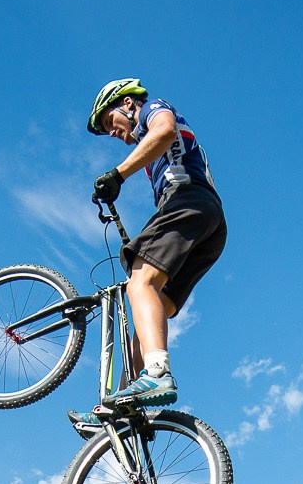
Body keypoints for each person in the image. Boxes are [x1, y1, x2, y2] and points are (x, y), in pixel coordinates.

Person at [77, 78, 226, 426]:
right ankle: (124, 398)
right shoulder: (149, 150)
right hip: (209, 222)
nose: (111, 134)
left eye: (108, 121)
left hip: (188, 202)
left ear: (127, 104)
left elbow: (165, 131)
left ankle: (156, 372)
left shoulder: (151, 110)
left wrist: (117, 175)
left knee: (138, 283)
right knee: (151, 302)